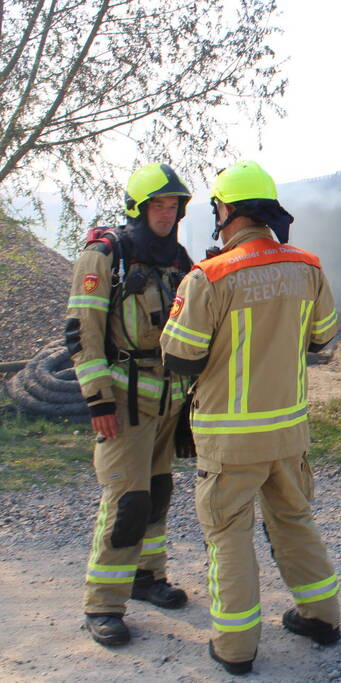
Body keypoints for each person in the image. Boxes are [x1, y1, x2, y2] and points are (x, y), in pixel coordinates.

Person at [160, 160, 341, 675]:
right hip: (288, 432)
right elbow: (323, 338)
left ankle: (236, 649)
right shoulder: (308, 266)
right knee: (294, 521)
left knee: (229, 536)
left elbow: (179, 356)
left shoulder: (211, 275)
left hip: (229, 442)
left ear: (227, 211)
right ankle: (322, 617)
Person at [66, 163, 194, 646]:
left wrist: (187, 406)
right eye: (158, 205)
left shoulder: (177, 259)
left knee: (157, 493)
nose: (166, 214)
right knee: (127, 501)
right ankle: (103, 603)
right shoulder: (106, 255)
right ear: (138, 209)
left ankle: (147, 577)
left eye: (173, 206)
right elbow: (84, 331)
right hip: (122, 404)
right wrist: (97, 400)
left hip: (168, 403)